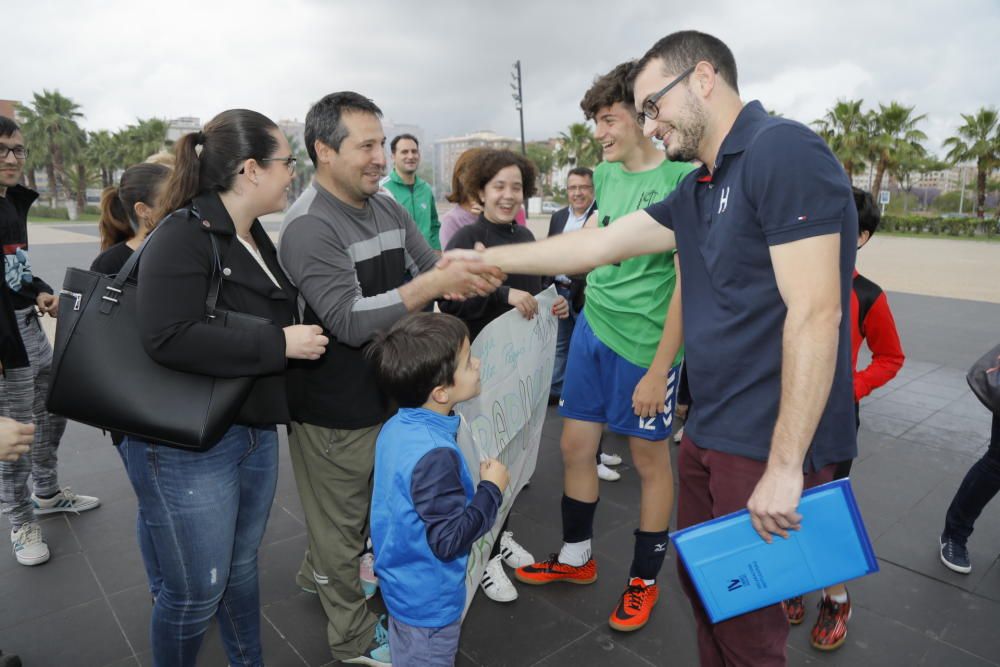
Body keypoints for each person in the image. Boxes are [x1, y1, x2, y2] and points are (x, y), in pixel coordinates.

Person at [445, 30, 857, 666]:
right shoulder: (699, 185)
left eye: (651, 106)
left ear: (702, 79)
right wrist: (480, 260)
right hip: (713, 430)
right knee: (705, 591)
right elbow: (595, 247)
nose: (649, 123)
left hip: (766, 441)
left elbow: (817, 312)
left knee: (749, 625)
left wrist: (784, 465)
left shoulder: (783, 149)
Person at [278, 91, 502, 667]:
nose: (381, 157)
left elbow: (430, 266)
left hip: (387, 398)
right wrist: (430, 288)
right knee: (341, 526)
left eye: (382, 142)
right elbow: (349, 320)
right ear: (324, 151)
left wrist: (474, 279)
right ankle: (351, 639)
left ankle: (320, 574)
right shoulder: (308, 226)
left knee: (370, 511)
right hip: (333, 410)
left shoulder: (385, 207)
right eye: (368, 145)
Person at [125, 109, 330, 666]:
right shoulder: (183, 233)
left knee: (239, 571)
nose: (294, 173)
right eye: (288, 162)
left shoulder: (250, 233)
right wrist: (278, 344)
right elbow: (167, 336)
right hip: (189, 445)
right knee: (194, 595)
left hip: (250, 429)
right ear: (249, 169)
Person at [512, 61, 692, 633]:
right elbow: (587, 251)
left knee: (649, 460)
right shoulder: (608, 176)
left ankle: (643, 580)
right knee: (572, 447)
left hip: (645, 349)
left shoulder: (680, 181)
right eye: (595, 123)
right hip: (594, 331)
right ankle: (576, 558)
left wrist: (660, 369)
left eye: (609, 120)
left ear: (643, 116)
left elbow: (689, 287)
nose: (601, 134)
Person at [440, 148, 569, 603]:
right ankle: (486, 555)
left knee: (510, 457)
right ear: (480, 191)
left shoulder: (525, 235)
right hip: (478, 375)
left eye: (516, 186)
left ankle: (500, 532)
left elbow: (533, 297)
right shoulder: (470, 238)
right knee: (481, 463)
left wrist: (554, 303)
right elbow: (451, 303)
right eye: (499, 186)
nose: (509, 195)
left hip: (519, 377)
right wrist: (501, 295)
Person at [783, 187, 904, 650]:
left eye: (842, 228)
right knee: (782, 500)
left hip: (833, 421)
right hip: (782, 411)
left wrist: (850, 388)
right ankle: (793, 579)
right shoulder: (787, 282)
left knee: (821, 508)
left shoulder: (868, 295)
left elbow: (891, 357)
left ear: (863, 237)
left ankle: (836, 596)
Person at [368, 312, 508, 667]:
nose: (477, 363)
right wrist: (491, 489)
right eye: (467, 361)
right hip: (428, 600)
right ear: (441, 391)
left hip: (401, 581)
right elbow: (447, 540)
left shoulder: (396, 425)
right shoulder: (435, 454)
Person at [0, 115, 100, 567]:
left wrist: (38, 289)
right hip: (6, 347)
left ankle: (46, 493)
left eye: (17, 150)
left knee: (52, 411)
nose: (11, 159)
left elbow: (13, 272)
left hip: (30, 329)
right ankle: (20, 520)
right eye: (1, 150)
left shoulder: (10, 203)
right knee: (14, 435)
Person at [90, 161, 172, 600]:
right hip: (132, 410)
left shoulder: (183, 253)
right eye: (172, 198)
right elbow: (100, 345)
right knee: (153, 505)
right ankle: (161, 587)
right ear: (144, 210)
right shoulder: (111, 262)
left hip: (173, 403)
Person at [546, 167, 596, 402]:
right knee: (559, 345)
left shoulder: (601, 215)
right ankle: (557, 392)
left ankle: (582, 395)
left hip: (584, 295)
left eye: (583, 187)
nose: (577, 193)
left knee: (585, 348)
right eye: (572, 188)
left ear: (593, 189)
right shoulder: (558, 217)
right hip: (558, 292)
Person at [92, 162, 171, 273]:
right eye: (170, 201)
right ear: (142, 210)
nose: (182, 206)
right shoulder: (109, 263)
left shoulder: (189, 252)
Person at [381, 133, 441, 251]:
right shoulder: (382, 189)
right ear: (393, 156)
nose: (411, 156)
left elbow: (434, 225)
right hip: (397, 262)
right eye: (404, 152)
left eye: (414, 151)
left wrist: (437, 249)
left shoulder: (426, 189)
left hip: (426, 262)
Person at [438, 147, 486, 248]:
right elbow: (452, 261)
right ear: (461, 177)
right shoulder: (452, 221)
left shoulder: (501, 213)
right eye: (477, 173)